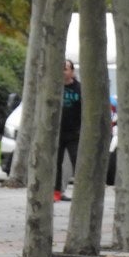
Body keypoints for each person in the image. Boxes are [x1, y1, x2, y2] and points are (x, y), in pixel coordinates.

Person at [55, 60, 82, 202]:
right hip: (57, 132)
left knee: (77, 161)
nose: (63, 72)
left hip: (74, 133)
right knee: (56, 163)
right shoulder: (54, 88)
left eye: (65, 69)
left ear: (72, 72)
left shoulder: (79, 88)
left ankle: (81, 192)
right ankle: (57, 192)